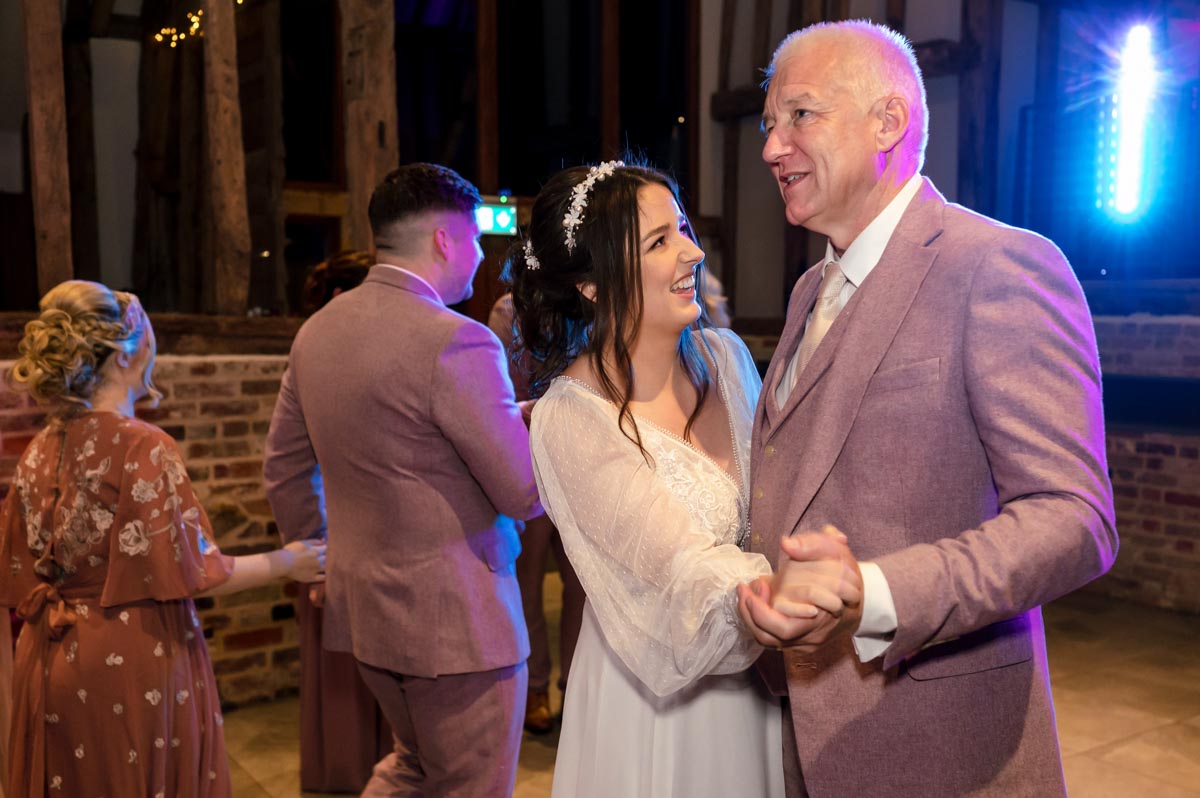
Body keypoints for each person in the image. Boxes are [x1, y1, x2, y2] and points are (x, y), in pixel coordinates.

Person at [736, 20, 1118, 796]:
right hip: (809, 735)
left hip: (944, 750)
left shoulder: (999, 266)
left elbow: (1075, 518)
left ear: (888, 121)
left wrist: (877, 595)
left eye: (800, 115)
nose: (773, 147)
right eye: (769, 124)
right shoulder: (814, 287)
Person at [510, 161, 858, 798]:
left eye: (685, 230)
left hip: (756, 676)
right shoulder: (571, 416)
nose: (693, 252)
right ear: (590, 284)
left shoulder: (724, 358)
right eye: (659, 241)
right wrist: (785, 591)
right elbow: (679, 566)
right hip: (654, 697)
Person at [263, 162, 542, 797]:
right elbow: (521, 492)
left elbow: (282, 466)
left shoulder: (317, 333)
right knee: (469, 783)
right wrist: (561, 433)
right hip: (459, 625)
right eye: (474, 239)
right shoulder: (457, 341)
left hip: (366, 610)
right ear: (445, 239)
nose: (478, 257)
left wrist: (316, 553)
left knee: (412, 767)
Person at [0, 280, 324, 798]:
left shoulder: (39, 447)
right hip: (130, 663)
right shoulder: (142, 445)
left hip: (48, 662)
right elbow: (196, 571)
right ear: (130, 353)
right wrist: (290, 561)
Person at [291, 249, 397, 793]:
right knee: (347, 704)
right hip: (339, 555)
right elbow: (288, 464)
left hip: (374, 557)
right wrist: (315, 553)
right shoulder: (314, 353)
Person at [486, 293, 586, 734]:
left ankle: (575, 687)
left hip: (583, 460)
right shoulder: (510, 310)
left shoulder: (589, 302)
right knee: (526, 582)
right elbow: (495, 392)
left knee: (583, 584)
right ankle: (536, 689)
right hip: (527, 458)